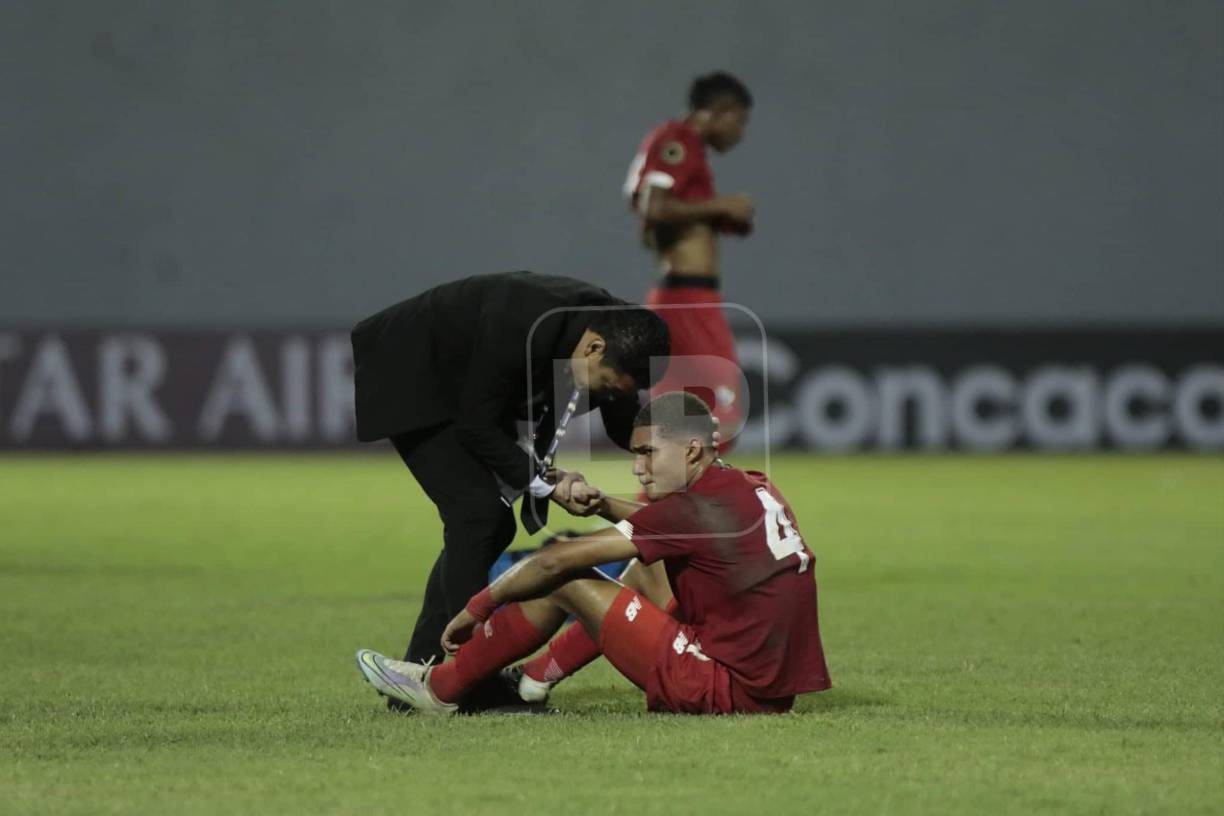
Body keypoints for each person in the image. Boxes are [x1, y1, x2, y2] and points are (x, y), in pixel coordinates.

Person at [356, 391, 831, 715]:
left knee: (568, 576)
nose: (639, 468)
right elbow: (669, 528)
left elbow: (554, 561)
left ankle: (438, 688)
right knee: (646, 573)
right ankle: (533, 680)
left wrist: (476, 608)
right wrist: (603, 504)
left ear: (690, 451)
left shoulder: (694, 512)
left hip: (727, 688)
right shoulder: (745, 485)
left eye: (648, 453)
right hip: (768, 687)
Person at [350, 271, 670, 698]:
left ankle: (421, 672)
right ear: (594, 348)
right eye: (607, 386)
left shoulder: (610, 338)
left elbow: (626, 421)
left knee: (486, 525)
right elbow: (476, 421)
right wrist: (548, 485)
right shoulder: (522, 322)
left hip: (471, 385)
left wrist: (685, 455)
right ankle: (467, 683)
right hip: (412, 372)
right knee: (478, 517)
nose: (607, 397)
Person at [622, 71, 755, 450]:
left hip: (680, 297)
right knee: (722, 411)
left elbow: (654, 208)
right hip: (688, 300)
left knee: (681, 417)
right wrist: (722, 204)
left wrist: (722, 218)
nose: (739, 132)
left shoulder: (687, 150)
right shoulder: (678, 141)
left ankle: (662, 504)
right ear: (718, 111)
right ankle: (686, 502)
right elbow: (655, 206)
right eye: (739, 120)